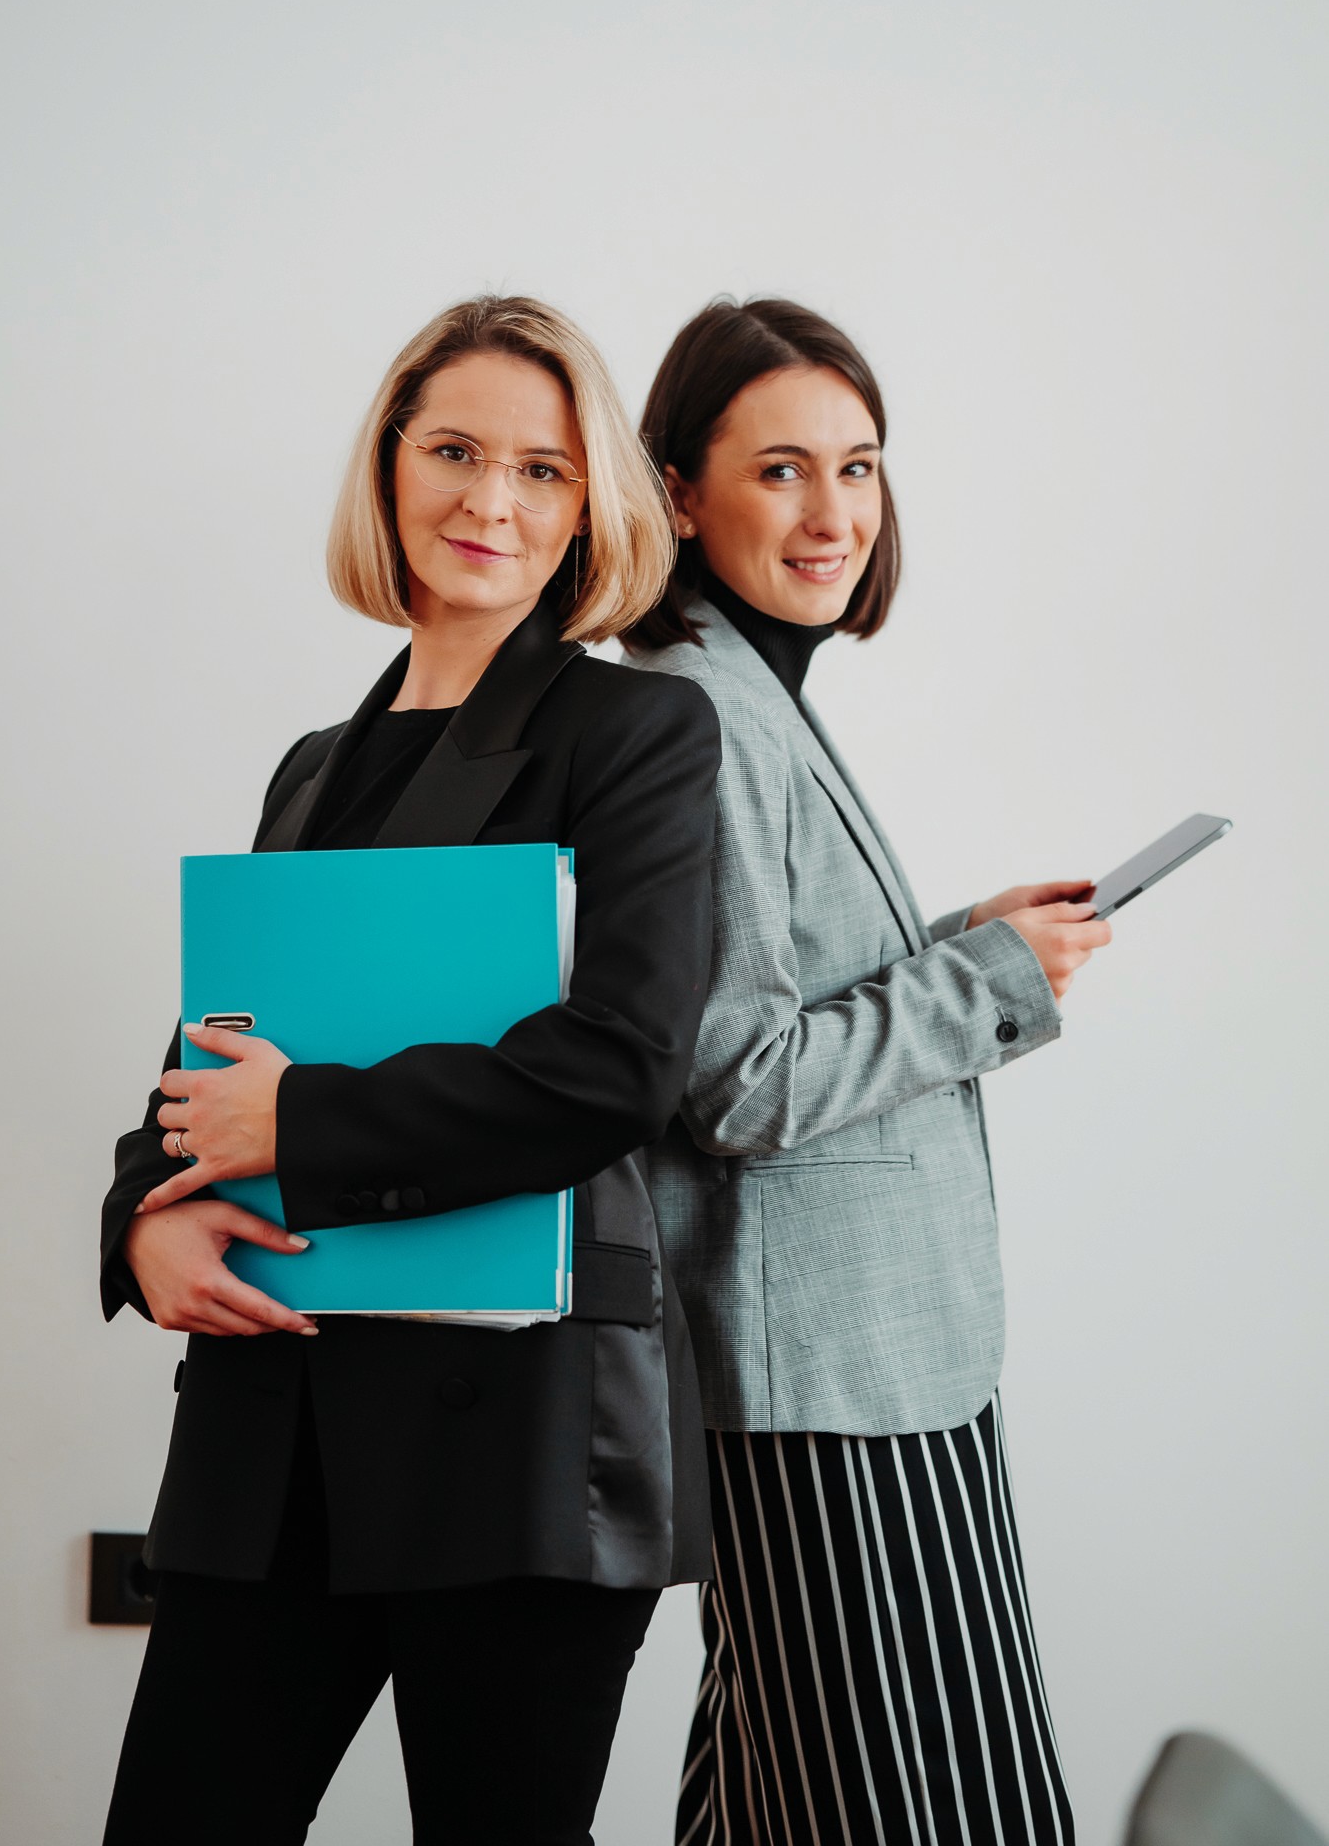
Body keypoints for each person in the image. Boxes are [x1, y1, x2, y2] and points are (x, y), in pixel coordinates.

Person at [100, 295, 722, 1846]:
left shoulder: (637, 731)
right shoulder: (315, 761)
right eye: (452, 450)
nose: (489, 502)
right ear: (388, 468)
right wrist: (143, 1215)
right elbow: (215, 1049)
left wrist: (298, 1121)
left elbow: (618, 1069)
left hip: (513, 1439)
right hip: (273, 1430)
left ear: (593, 505)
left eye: (543, 468)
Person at [622, 297, 1112, 1846]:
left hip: (875, 1363)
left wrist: (949, 940)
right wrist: (979, 986)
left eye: (859, 466)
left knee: (782, 1796)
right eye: (780, 471)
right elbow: (736, 1082)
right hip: (825, 1380)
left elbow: (772, 995)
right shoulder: (699, 709)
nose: (833, 513)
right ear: (679, 493)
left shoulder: (753, 690)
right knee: (920, 1806)